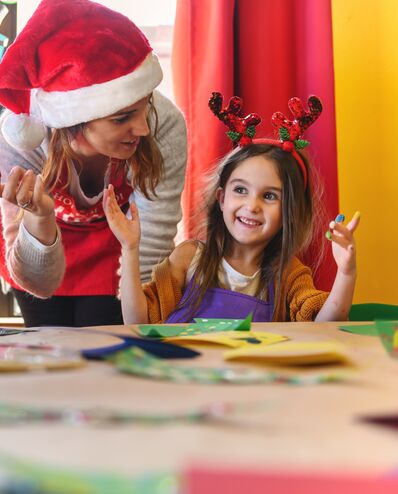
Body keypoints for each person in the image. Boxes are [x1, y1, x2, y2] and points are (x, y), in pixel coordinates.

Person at [0, 0, 187, 327]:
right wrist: (39, 220)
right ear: (74, 120)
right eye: (122, 117)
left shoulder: (164, 123)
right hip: (37, 243)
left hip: (120, 244)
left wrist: (140, 314)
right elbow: (38, 282)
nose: (143, 128)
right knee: (51, 346)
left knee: (109, 343)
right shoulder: (22, 136)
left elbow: (152, 234)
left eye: (144, 106)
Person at [105, 93, 359, 324]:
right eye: (240, 190)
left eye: (269, 196)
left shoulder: (289, 274)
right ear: (221, 198)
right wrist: (130, 248)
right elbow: (137, 323)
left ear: (289, 212)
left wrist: (346, 272)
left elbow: (323, 325)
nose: (252, 205)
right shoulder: (189, 258)